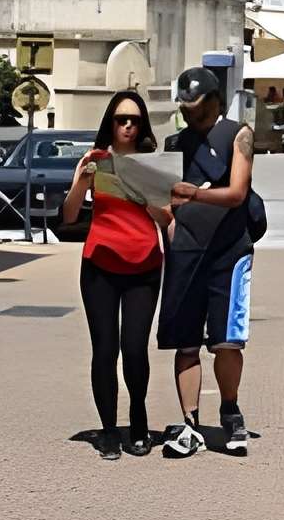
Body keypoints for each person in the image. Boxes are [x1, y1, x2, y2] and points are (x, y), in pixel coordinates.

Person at [156, 66, 258, 457]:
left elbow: (236, 192)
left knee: (227, 340)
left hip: (229, 250)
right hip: (186, 250)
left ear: (215, 102)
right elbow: (161, 196)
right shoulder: (174, 142)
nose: (190, 116)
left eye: (197, 108)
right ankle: (190, 422)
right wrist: (165, 219)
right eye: (185, 109)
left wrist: (193, 196)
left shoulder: (238, 134)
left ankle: (231, 412)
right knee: (185, 342)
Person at [58, 92, 167, 458]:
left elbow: (167, 218)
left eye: (134, 120)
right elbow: (70, 215)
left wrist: (142, 195)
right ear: (111, 122)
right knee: (105, 350)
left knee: (134, 349)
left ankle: (138, 417)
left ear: (142, 126)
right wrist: (81, 182)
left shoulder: (152, 164)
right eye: (121, 119)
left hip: (144, 266)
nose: (128, 126)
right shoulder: (95, 160)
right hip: (100, 265)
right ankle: (107, 431)